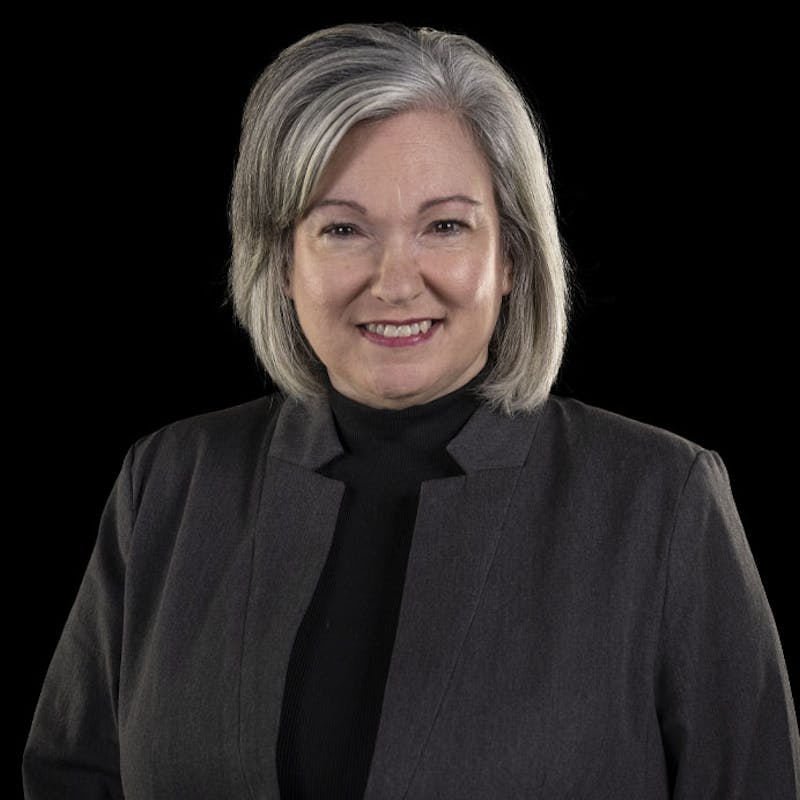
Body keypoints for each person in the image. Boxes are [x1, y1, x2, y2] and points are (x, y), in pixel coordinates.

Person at [23, 22, 799, 799]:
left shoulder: (662, 501)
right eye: (342, 229)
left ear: (511, 257)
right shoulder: (167, 483)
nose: (395, 283)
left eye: (445, 226)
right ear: (282, 260)